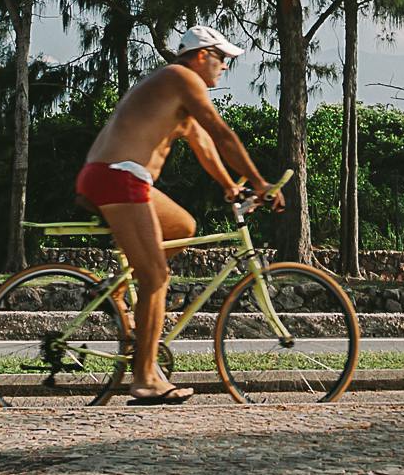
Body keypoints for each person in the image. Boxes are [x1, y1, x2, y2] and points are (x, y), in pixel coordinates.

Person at [73, 25, 283, 404]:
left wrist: (230, 186)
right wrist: (260, 181)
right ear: (201, 56)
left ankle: (114, 290)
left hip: (115, 178)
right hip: (120, 177)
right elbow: (222, 134)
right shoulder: (181, 77)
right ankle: (144, 379)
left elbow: (205, 146)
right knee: (157, 277)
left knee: (182, 225)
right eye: (222, 60)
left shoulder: (174, 97)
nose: (223, 68)